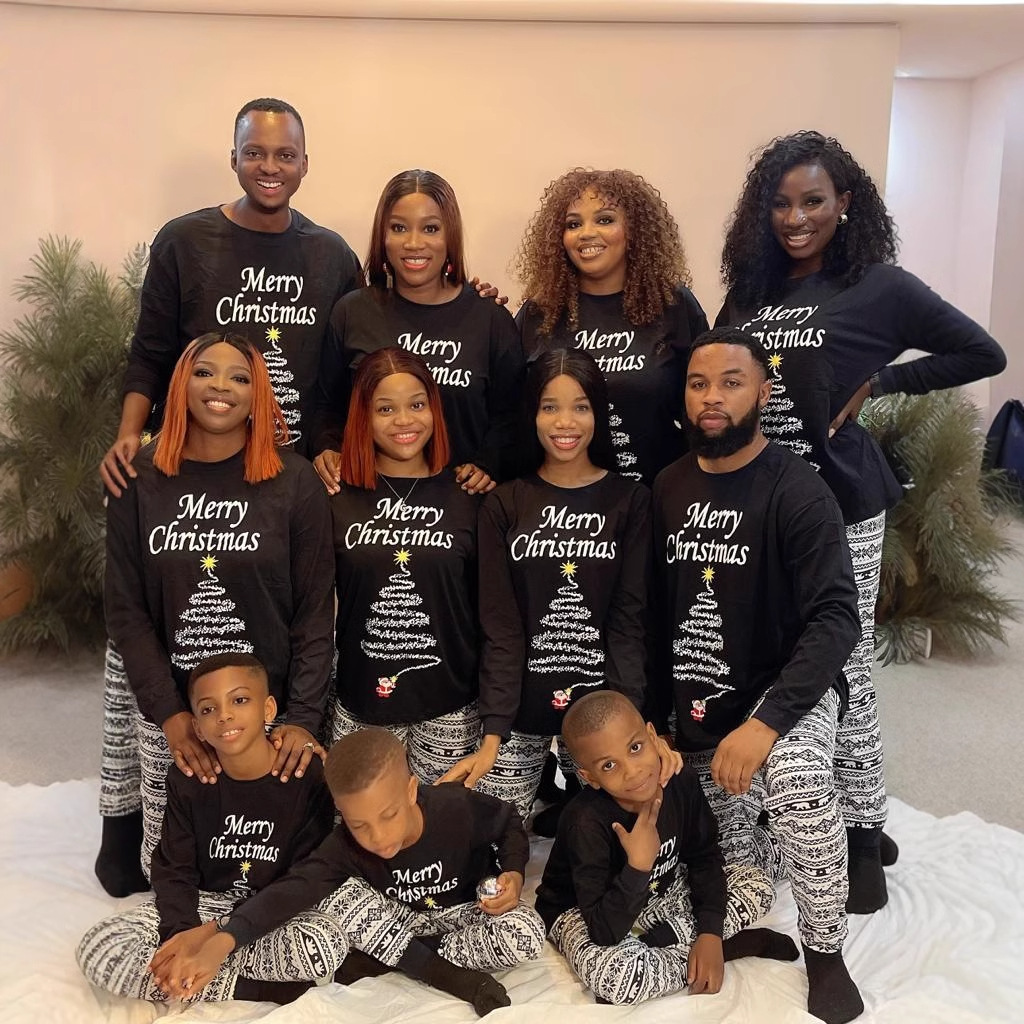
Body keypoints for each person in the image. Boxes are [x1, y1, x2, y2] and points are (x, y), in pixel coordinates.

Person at [716, 130, 1007, 913]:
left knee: (845, 666)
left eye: (813, 200)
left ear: (845, 202)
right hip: (758, 506)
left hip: (840, 502)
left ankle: (863, 833)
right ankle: (802, 805)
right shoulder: (750, 291)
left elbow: (982, 352)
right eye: (780, 204)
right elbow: (718, 371)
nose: (796, 218)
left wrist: (882, 382)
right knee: (776, 656)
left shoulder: (880, 287)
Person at [94, 97, 360, 896]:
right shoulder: (186, 241)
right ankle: (124, 821)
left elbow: (350, 368)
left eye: (285, 154)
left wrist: (325, 455)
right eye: (255, 152)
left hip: (278, 472)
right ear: (234, 156)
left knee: (287, 614)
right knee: (146, 624)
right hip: (180, 466)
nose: (269, 167)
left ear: (305, 162)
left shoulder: (332, 256)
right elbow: (151, 351)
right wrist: (131, 439)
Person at [652, 330, 864, 1024]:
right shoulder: (668, 486)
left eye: (731, 382)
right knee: (722, 862)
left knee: (797, 782)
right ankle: (769, 847)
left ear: (763, 393)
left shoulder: (798, 490)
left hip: (784, 695)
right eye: (698, 384)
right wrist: (655, 719)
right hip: (698, 702)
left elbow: (836, 619)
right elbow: (651, 612)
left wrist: (767, 724)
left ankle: (826, 950)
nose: (712, 398)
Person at [104, 333, 335, 882]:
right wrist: (171, 716)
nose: (221, 387)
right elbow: (126, 611)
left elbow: (314, 612)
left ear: (259, 395)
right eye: (205, 372)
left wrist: (302, 719)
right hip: (176, 715)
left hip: (271, 714)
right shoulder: (138, 478)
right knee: (176, 873)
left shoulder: (295, 481)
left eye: (240, 377)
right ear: (181, 384)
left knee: (280, 875)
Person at [169, 727, 547, 1018]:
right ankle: (436, 969)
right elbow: (292, 890)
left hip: (462, 913)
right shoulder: (342, 846)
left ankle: (393, 960)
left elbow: (508, 824)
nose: (378, 838)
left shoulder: (455, 808)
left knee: (528, 932)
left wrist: (514, 873)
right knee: (334, 893)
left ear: (411, 791)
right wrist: (222, 939)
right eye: (359, 824)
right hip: (394, 919)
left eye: (389, 815)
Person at [439, 348, 651, 831]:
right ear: (531, 414)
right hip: (519, 709)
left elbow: (628, 623)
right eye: (549, 407)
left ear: (598, 413)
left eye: (580, 406)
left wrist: (631, 721)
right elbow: (501, 626)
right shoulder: (504, 504)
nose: (565, 422)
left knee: (616, 839)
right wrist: (494, 732)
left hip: (603, 711)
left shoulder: (631, 501)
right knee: (492, 838)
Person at [77, 653, 346, 1006]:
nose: (224, 715)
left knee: (325, 943)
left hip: (273, 910)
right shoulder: (189, 779)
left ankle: (205, 970)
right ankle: (258, 989)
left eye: (239, 700)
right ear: (198, 727)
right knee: (100, 948)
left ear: (268, 709)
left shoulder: (304, 775)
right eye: (208, 709)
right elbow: (174, 868)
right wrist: (182, 936)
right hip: (205, 904)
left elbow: (304, 879)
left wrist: (221, 936)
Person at [536, 690, 796, 1005]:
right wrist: (638, 865)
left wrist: (710, 933)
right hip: (586, 912)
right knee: (619, 980)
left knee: (758, 886)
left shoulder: (680, 780)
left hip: (657, 892)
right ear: (589, 777)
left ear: (652, 736)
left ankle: (665, 943)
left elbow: (704, 858)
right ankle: (729, 948)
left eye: (635, 748)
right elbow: (604, 931)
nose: (632, 771)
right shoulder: (585, 823)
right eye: (609, 765)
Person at [314, 168, 525, 496]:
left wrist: (490, 463)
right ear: (382, 236)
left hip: (464, 507)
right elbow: (327, 405)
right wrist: (326, 447)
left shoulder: (490, 318)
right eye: (399, 228)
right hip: (367, 505)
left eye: (430, 228)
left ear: (450, 236)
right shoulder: (352, 312)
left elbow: (512, 416)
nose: (414, 243)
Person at [327, 347, 481, 783]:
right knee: (359, 818)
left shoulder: (468, 494)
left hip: (451, 704)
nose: (404, 420)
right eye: (385, 409)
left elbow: (487, 610)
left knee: (442, 818)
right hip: (361, 699)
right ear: (363, 416)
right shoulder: (335, 495)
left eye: (416, 405)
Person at [514, 168, 709, 487]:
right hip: (562, 505)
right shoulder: (540, 312)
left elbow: (701, 405)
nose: (586, 233)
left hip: (656, 495)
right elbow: (510, 412)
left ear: (634, 230)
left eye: (605, 220)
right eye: (573, 224)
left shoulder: (673, 305)